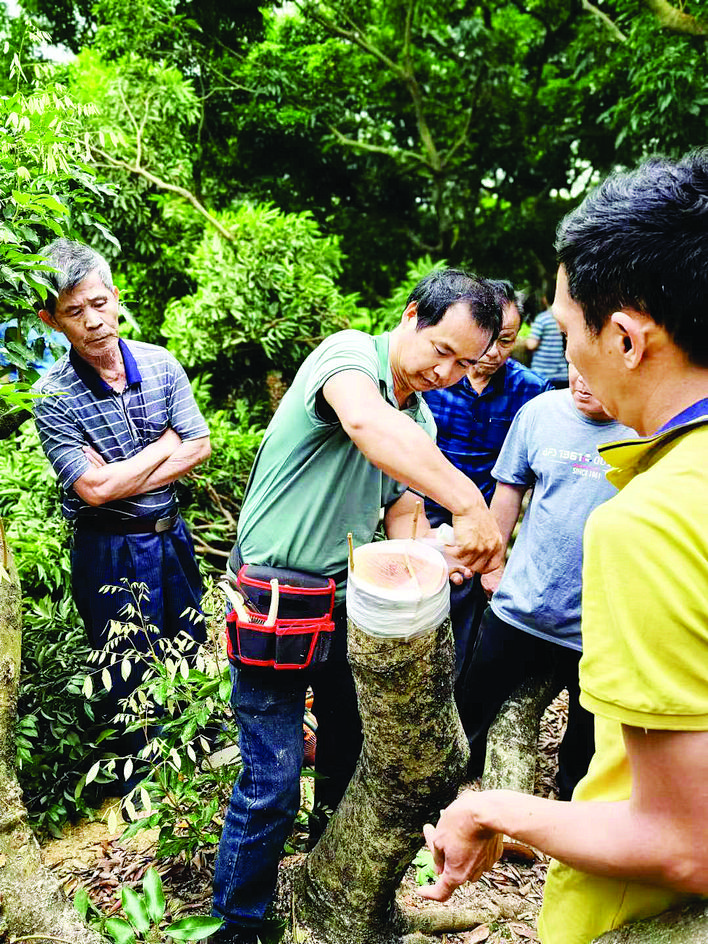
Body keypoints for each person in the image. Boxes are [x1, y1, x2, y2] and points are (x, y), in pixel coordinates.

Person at [419, 152, 708, 944]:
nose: (560, 349)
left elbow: (688, 846)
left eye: (564, 324)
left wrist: (491, 808)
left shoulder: (649, 521)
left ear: (623, 338)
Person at [211, 268, 505, 944]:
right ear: (410, 316)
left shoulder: (420, 419)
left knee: (348, 761)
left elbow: (402, 523)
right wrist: (469, 501)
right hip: (276, 603)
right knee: (274, 781)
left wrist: (436, 562)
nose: (447, 372)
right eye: (440, 350)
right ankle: (237, 926)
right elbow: (366, 424)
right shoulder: (348, 358)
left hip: (350, 613)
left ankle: (330, 894)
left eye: (465, 364)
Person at [32, 238, 211, 767]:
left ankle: (199, 771)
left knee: (190, 647)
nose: (91, 320)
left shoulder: (161, 364)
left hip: (170, 536)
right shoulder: (52, 395)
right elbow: (93, 491)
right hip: (105, 549)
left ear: (115, 295)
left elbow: (199, 445)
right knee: (125, 670)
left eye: (98, 303)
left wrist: (118, 472)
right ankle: (144, 791)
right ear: (51, 320)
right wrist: (163, 446)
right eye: (73, 311)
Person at [459, 363, 633, 799]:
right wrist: (492, 564)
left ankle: (574, 812)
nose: (582, 380)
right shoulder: (539, 413)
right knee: (472, 711)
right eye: (577, 367)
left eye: (596, 370)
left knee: (588, 743)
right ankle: (450, 794)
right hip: (523, 605)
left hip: (598, 623)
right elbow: (509, 489)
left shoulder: (641, 427)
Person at [423, 281, 551, 676]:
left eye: (507, 341)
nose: (493, 352)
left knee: (469, 638)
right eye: (487, 339)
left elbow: (525, 478)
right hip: (423, 521)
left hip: (486, 532)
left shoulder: (530, 392)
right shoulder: (435, 379)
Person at [526, 301, 569, 387]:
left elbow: (531, 345)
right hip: (563, 375)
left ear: (545, 299)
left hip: (542, 374)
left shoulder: (542, 318)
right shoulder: (567, 318)